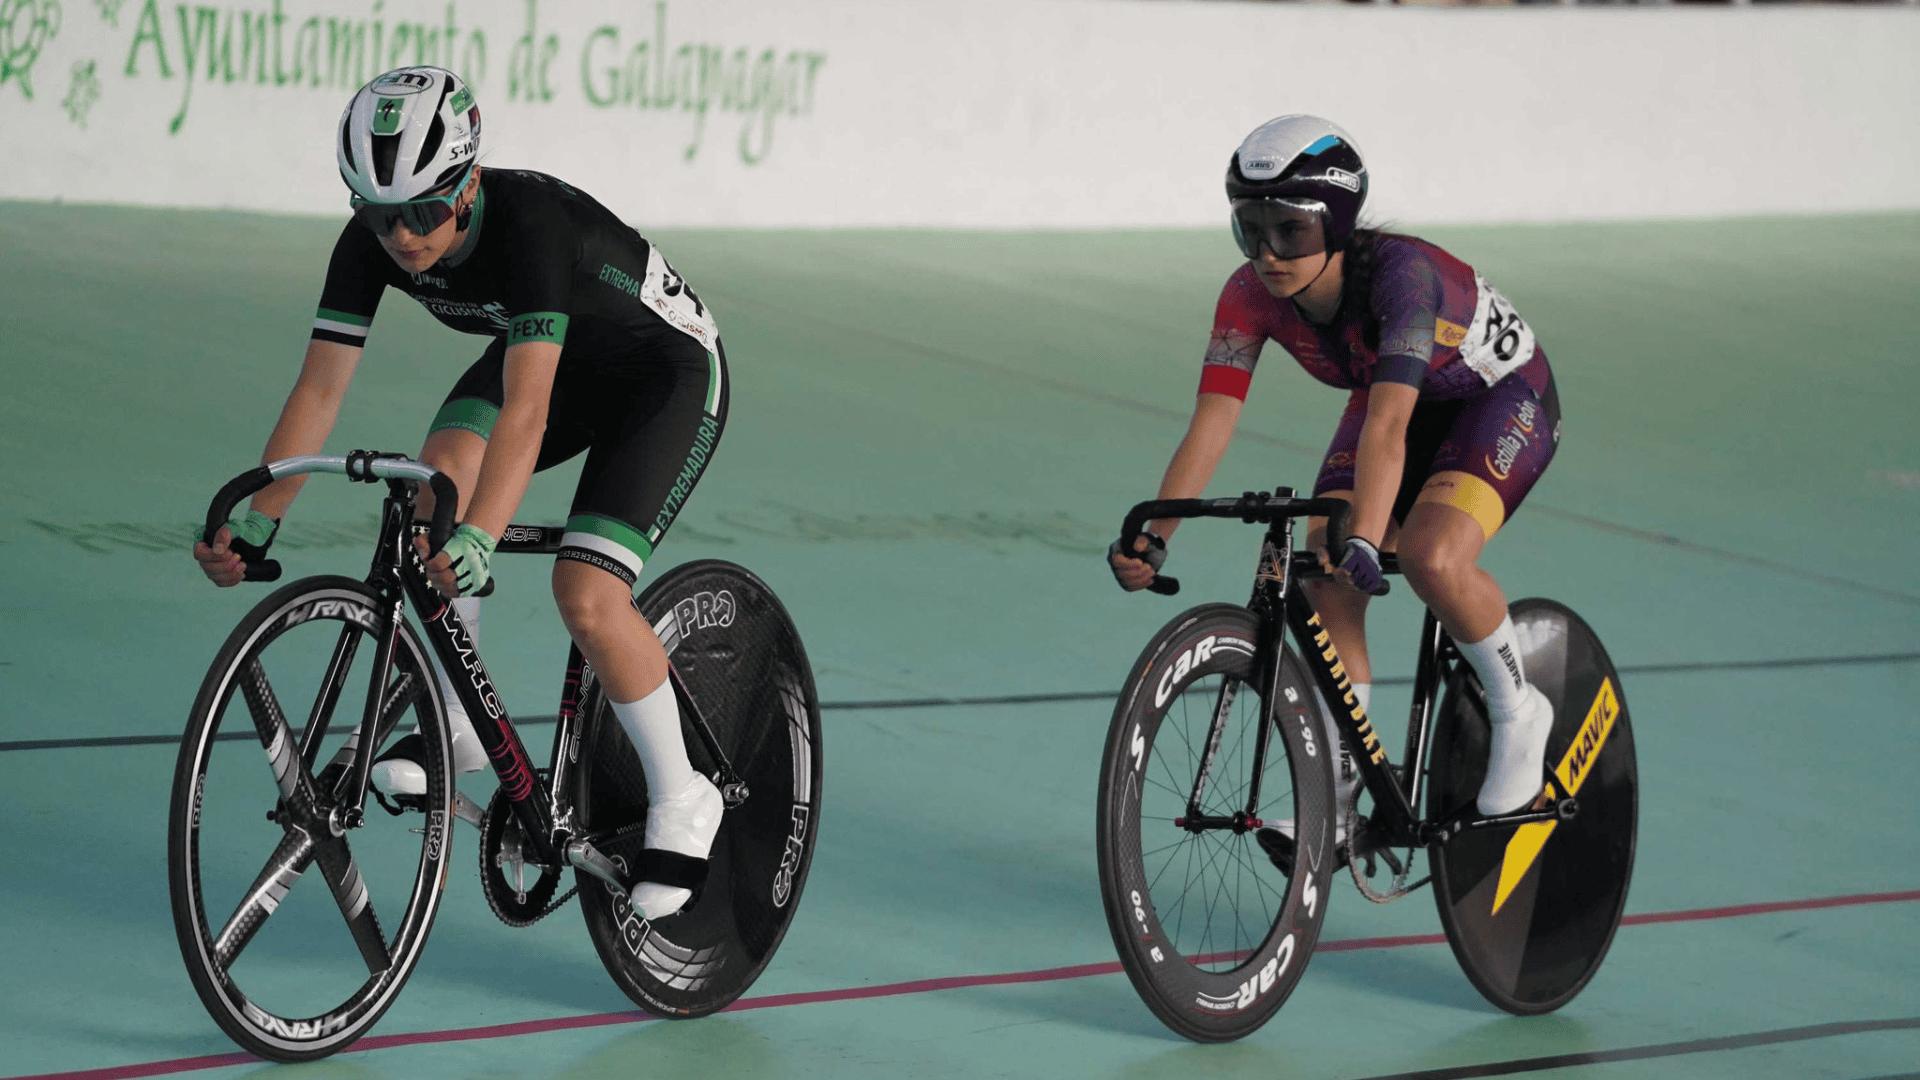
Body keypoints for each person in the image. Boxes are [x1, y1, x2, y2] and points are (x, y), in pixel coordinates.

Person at [191, 66, 725, 920]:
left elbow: (528, 409)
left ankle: (685, 793)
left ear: (468, 183)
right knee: (439, 472)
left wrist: (480, 536)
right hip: (546, 359)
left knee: (585, 594)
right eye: (379, 213)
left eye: (425, 212)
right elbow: (320, 390)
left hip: (660, 374)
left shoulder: (533, 229)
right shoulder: (372, 241)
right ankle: (459, 721)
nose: (402, 236)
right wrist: (260, 517)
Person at [1108, 115, 1562, 836]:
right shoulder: (1247, 297)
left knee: (1430, 555)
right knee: (1324, 573)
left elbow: (1388, 431)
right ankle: (1341, 790)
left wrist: (1371, 539)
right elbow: (1212, 424)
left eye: (1290, 229)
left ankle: (1518, 710)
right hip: (1390, 394)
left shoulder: (1403, 282)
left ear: (1339, 226)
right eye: (1249, 228)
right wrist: (1156, 536)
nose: (1267, 253)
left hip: (1497, 398)